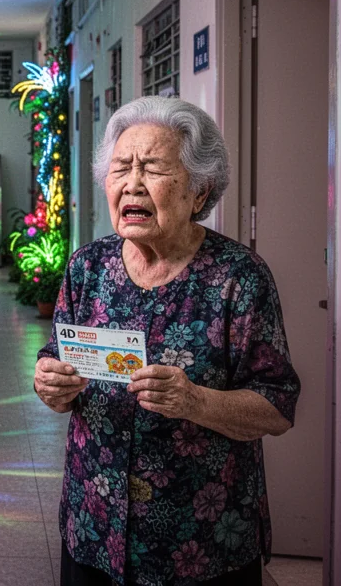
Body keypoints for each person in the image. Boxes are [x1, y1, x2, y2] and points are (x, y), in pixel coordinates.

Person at [33, 96, 301, 586]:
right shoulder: (88, 268)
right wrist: (51, 383)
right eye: (121, 168)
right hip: (95, 527)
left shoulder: (239, 278)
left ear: (199, 193)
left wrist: (195, 401)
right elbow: (58, 358)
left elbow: (277, 406)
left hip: (201, 541)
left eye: (153, 169)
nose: (132, 184)